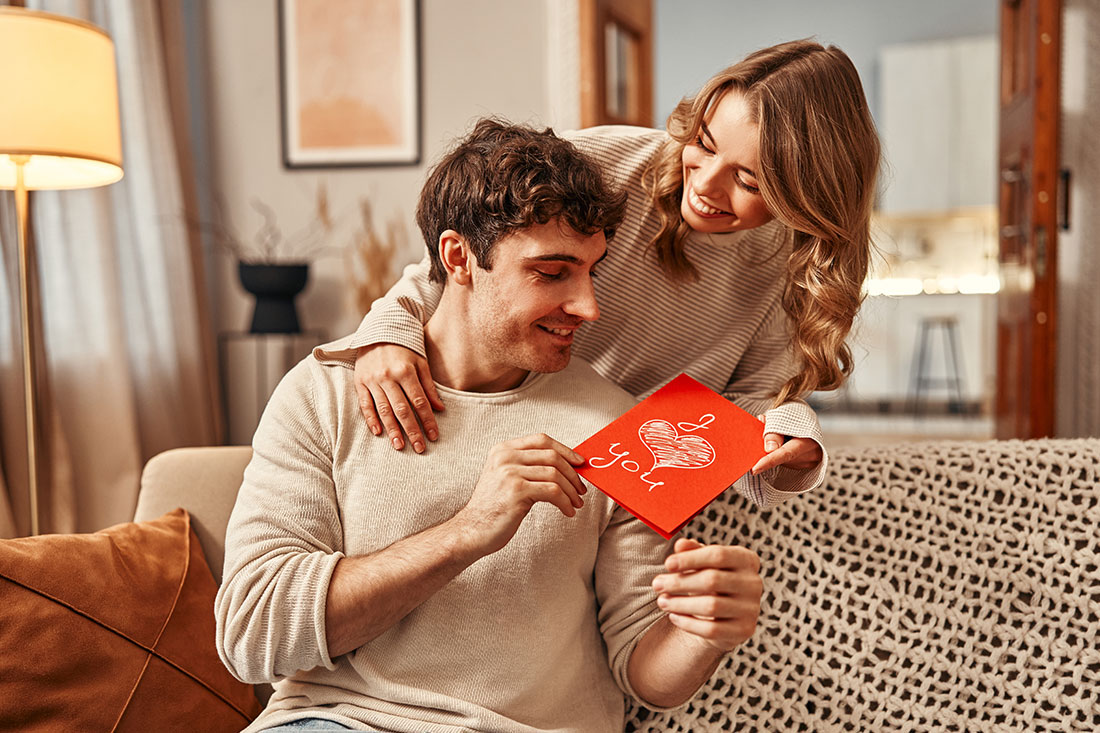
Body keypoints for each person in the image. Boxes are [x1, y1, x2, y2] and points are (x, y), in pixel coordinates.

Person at [215, 120, 763, 733]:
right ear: (459, 258)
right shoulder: (324, 393)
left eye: (592, 272)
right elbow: (251, 636)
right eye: (552, 273)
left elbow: (643, 668)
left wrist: (704, 633)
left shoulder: (622, 427)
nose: (588, 307)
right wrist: (470, 530)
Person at [345, 39, 880, 509]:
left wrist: (789, 433)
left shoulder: (794, 268)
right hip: (524, 420)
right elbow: (468, 255)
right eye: (705, 145)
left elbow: (750, 407)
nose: (706, 187)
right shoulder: (610, 162)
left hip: (643, 473)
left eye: (749, 180)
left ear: (806, 198)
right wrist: (390, 330)